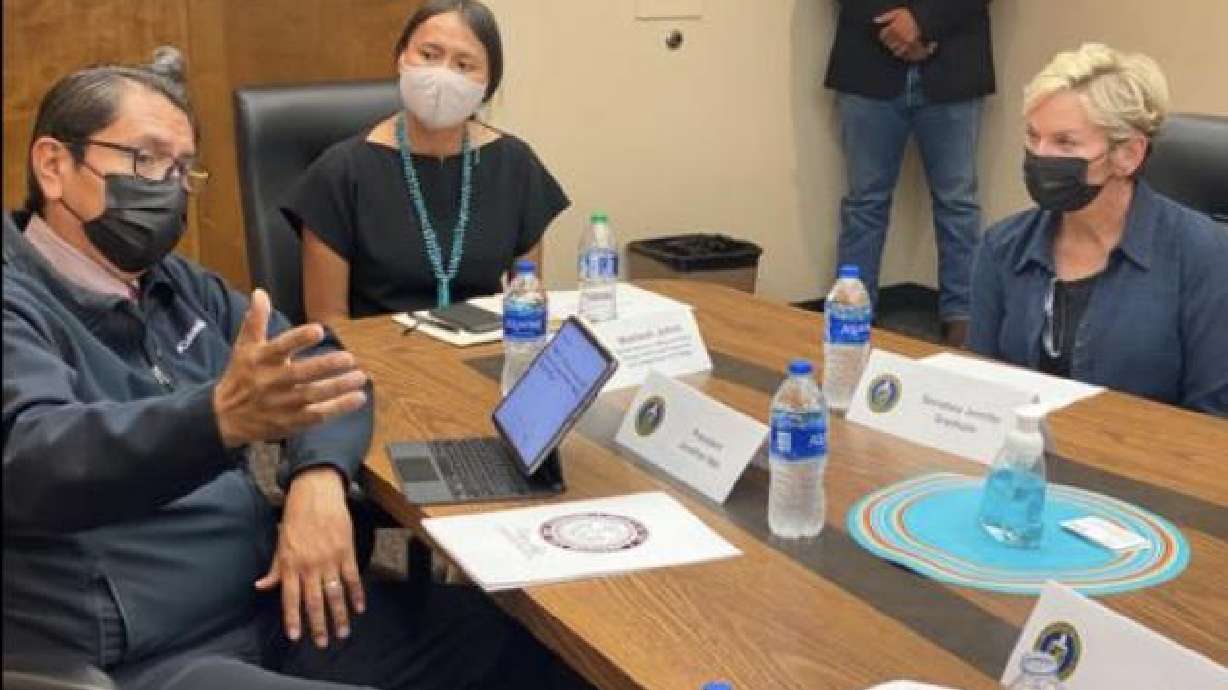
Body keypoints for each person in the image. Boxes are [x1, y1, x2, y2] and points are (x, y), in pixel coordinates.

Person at [3, 49, 588, 689]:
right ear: (54, 166)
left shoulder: (175, 286)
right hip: (152, 657)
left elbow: (330, 366)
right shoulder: (17, 302)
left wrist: (317, 477)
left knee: (532, 645)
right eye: (145, 161)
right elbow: (36, 461)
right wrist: (219, 418)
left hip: (279, 604)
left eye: (181, 171)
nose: (167, 190)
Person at [969, 43, 1228, 417]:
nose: (1041, 155)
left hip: (1147, 464)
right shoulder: (1002, 247)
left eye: (1065, 142)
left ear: (1129, 155)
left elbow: (1214, 421)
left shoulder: (1204, 254)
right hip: (1022, 463)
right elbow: (976, 390)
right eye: (1032, 136)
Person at [283, 0, 569, 323]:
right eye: (429, 55)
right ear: (401, 58)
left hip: (482, 360)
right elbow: (329, 324)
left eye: (464, 65)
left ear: (487, 84)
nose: (442, 75)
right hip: (374, 364)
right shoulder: (340, 173)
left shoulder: (515, 166)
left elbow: (527, 302)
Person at [824, 0, 994, 346]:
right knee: (864, 205)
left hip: (954, 63)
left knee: (958, 205)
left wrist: (924, 23)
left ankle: (965, 326)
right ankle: (851, 322)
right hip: (867, 63)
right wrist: (898, 26)